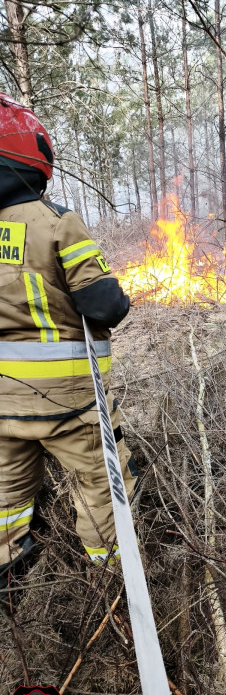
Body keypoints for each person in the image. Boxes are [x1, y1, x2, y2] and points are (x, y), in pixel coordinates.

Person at [0, 92, 136, 595]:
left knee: (6, 498)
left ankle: (12, 587)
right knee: (103, 487)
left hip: (2, 406)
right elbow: (105, 306)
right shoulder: (55, 221)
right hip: (70, 403)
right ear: (33, 156)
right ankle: (112, 582)